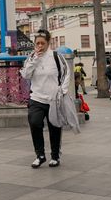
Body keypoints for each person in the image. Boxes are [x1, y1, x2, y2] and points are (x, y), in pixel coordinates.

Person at [20, 29, 74, 168]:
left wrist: (62, 90)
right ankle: (40, 155)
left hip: (53, 99)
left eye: (42, 43)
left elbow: (66, 73)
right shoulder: (31, 57)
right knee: (35, 122)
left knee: (54, 127)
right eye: (37, 43)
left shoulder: (56, 57)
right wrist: (34, 60)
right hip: (36, 98)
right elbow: (25, 75)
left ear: (48, 43)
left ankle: (55, 156)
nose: (40, 46)